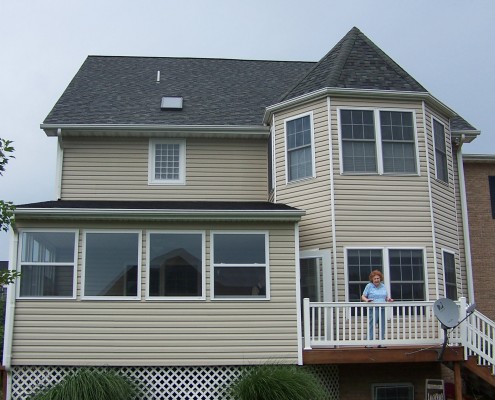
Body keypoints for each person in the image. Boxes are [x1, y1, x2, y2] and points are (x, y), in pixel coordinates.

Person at [361, 270, 393, 346]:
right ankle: (369, 343)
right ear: (372, 279)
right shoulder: (369, 286)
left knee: (382, 325)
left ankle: (381, 343)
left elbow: (385, 297)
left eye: (378, 278)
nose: (376, 280)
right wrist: (367, 300)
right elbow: (363, 296)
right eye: (375, 278)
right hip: (373, 308)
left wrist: (388, 299)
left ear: (380, 279)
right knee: (372, 324)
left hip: (382, 308)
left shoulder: (383, 286)